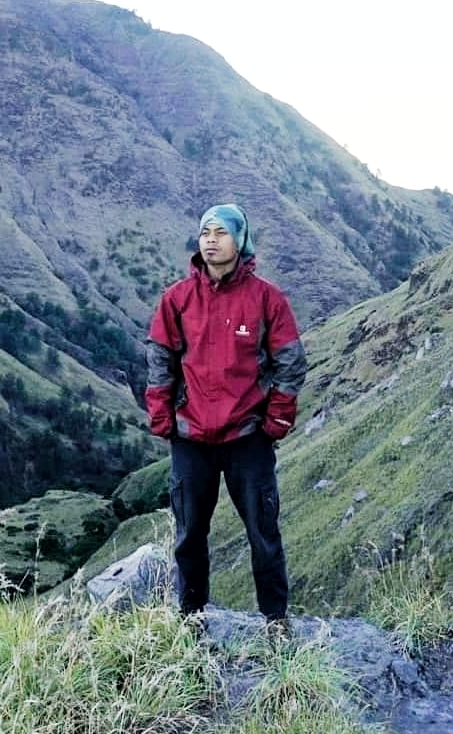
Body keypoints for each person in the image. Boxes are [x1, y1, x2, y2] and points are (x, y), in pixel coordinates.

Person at [145, 203, 307, 627]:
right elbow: (160, 359)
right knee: (189, 538)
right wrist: (163, 419)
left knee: (264, 535)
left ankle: (276, 623)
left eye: (221, 232)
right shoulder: (177, 299)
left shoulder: (267, 299)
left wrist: (276, 421)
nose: (211, 240)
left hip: (247, 437)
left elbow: (290, 362)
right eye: (205, 233)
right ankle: (191, 622)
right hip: (191, 437)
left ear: (241, 239)